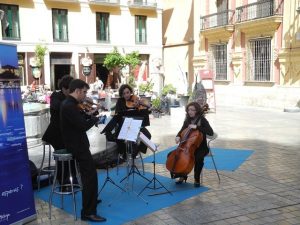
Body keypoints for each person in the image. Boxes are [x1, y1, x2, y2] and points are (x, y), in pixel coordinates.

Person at [60, 79, 106, 222]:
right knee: (90, 177)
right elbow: (82, 126)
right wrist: (95, 119)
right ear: (78, 91)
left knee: (90, 175)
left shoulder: (71, 104)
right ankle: (88, 211)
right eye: (84, 92)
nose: (85, 95)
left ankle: (91, 201)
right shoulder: (68, 105)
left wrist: (90, 115)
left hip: (78, 143)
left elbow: (78, 121)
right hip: (76, 146)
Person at [42, 75, 75, 185]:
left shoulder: (69, 99)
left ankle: (72, 177)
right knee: (64, 153)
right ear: (64, 89)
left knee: (74, 149)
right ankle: (63, 181)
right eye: (71, 90)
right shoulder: (56, 96)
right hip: (55, 133)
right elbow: (60, 107)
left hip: (65, 133)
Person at [175, 102, 213, 187]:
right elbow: (182, 130)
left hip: (200, 147)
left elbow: (210, 132)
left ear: (197, 111)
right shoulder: (187, 120)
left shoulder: (202, 119)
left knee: (198, 158)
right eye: (189, 109)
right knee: (176, 156)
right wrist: (178, 136)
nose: (190, 111)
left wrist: (197, 127)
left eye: (192, 110)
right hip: (187, 146)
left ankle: (196, 178)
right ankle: (181, 175)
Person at [114, 84, 152, 159]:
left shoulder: (135, 99)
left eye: (128, 92)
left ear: (130, 92)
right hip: (124, 126)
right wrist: (128, 110)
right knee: (118, 137)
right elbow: (118, 114)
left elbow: (144, 112)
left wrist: (138, 107)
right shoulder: (120, 101)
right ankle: (124, 153)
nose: (126, 95)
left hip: (135, 125)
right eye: (124, 93)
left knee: (148, 135)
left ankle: (137, 151)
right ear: (122, 94)